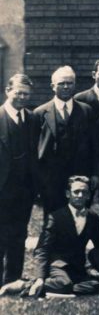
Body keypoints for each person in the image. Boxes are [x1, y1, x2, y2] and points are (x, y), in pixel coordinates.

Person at [20, 177, 99, 297]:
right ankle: (28, 285)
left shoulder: (92, 217)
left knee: (95, 285)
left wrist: (92, 267)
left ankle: (61, 288)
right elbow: (43, 249)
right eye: (76, 192)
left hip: (77, 267)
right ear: (68, 194)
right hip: (57, 265)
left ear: (88, 196)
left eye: (84, 192)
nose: (80, 195)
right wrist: (39, 277)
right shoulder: (56, 217)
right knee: (64, 284)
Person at [34, 65, 98, 213]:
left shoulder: (86, 111)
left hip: (80, 176)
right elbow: (34, 149)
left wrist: (95, 173)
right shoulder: (40, 113)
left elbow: (95, 145)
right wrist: (38, 178)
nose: (65, 87)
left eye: (69, 83)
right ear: (53, 86)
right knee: (53, 218)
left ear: (75, 85)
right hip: (51, 179)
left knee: (80, 217)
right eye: (61, 83)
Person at [0, 74, 39, 287]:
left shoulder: (32, 119)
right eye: (18, 93)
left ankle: (13, 279)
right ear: (8, 91)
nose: (23, 97)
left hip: (24, 190)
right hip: (1, 189)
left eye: (26, 94)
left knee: (19, 234)